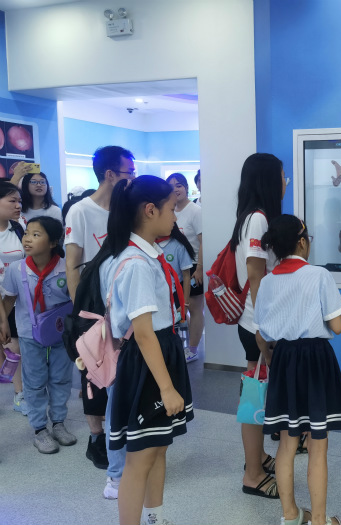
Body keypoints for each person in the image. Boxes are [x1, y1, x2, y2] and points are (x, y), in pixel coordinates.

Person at [96, 175, 193, 525]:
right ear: (150, 210)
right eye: (171, 208)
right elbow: (143, 333)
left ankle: (155, 518)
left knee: (158, 447)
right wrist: (166, 388)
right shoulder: (136, 263)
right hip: (147, 361)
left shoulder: (144, 254)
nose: (175, 216)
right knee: (140, 458)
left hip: (159, 353)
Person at [255, 214, 341, 525]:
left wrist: (270, 358)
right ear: (301, 242)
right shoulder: (318, 275)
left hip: (284, 359)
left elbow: (261, 333)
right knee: (317, 446)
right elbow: (337, 325)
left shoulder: (268, 281)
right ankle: (320, 520)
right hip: (315, 360)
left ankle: (290, 515)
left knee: (286, 443)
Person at [65, 146, 135, 489]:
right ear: (110, 174)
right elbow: (72, 263)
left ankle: (119, 434)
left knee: (120, 370)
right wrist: (81, 312)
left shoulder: (126, 208)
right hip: (91, 305)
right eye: (128, 172)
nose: (132, 178)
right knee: (93, 373)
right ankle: (96, 439)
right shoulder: (81, 211)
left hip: (121, 302)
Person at [231, 153, 285, 498]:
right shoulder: (258, 220)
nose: (285, 182)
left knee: (258, 392)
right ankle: (252, 474)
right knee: (254, 398)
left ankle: (259, 457)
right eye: (282, 176)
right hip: (257, 326)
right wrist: (264, 328)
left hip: (255, 323)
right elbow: (255, 274)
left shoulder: (250, 217)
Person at [1, 217, 77, 454]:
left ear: (53, 242)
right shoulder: (16, 269)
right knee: (34, 381)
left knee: (61, 378)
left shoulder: (66, 267)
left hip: (60, 333)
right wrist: (2, 323)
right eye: (27, 234)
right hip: (28, 332)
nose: (27, 239)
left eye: (36, 235)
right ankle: (39, 429)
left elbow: (75, 300)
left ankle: (58, 422)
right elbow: (9, 300)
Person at [166, 173, 203, 363]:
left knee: (195, 308)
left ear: (187, 188)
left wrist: (200, 268)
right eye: (171, 186)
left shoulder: (195, 211)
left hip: (194, 265)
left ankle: (193, 349)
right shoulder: (169, 209)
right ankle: (183, 345)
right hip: (174, 267)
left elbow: (203, 241)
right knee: (180, 308)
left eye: (179, 185)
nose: (175, 189)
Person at [0, 180, 28, 415]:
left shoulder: (19, 228)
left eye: (19, 201)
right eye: (12, 201)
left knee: (13, 345)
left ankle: (20, 393)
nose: (18, 205)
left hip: (15, 298)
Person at [156, 223, 195, 324]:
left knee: (175, 324)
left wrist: (185, 304)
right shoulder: (150, 244)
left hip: (175, 293)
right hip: (157, 293)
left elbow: (186, 276)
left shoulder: (178, 246)